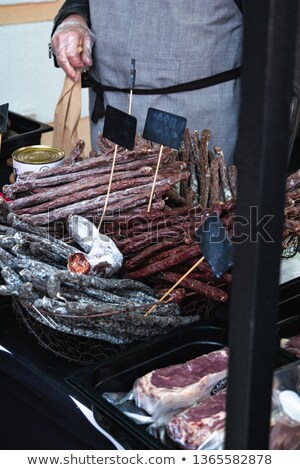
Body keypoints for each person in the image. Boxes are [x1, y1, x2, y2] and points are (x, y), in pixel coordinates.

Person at [51, 0, 243, 164]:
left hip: (199, 111)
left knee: (197, 203)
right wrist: (74, 18)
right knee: (115, 202)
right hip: (113, 110)